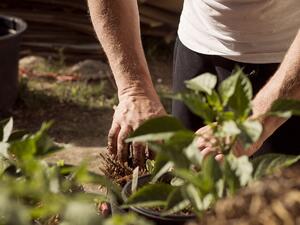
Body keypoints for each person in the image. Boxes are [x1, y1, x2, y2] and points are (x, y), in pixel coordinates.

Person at [87, 0, 300, 166]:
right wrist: (133, 90)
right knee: (189, 193)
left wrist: (256, 121)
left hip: (288, 68)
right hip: (197, 47)